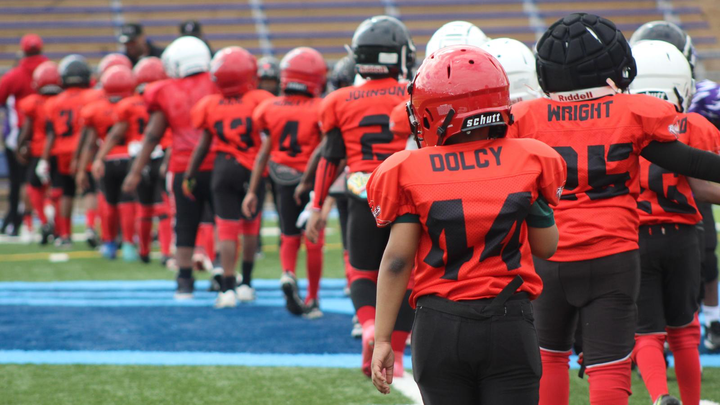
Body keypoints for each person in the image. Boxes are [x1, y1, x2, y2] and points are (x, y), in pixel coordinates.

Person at [509, 13, 720, 405]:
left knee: (550, 357)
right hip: (614, 256)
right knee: (610, 366)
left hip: (551, 254)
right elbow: (690, 162)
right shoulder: (631, 111)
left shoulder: (526, 117)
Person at [368, 44, 565, 405]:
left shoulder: (409, 170)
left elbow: (397, 260)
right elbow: (546, 247)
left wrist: (383, 339)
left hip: (440, 323)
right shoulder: (529, 159)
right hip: (509, 321)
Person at [305, 15, 416, 377]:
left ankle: (369, 327)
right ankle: (395, 353)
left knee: (361, 271)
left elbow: (330, 157)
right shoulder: (413, 92)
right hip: (406, 191)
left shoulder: (339, 99)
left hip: (361, 190)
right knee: (408, 272)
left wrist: (317, 205)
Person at [628, 39, 720, 405]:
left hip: (636, 237)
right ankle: (691, 402)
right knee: (684, 330)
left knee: (646, 332)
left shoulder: (622, 123)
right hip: (683, 236)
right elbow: (706, 186)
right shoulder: (695, 124)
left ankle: (660, 397)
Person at [122, 36, 217, 299]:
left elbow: (153, 134)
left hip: (183, 166)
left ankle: (184, 280)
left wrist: (135, 171)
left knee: (184, 222)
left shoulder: (164, 90)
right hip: (218, 161)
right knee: (221, 218)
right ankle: (222, 271)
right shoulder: (217, 84)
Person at [185, 46, 274, 308]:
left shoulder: (209, 104)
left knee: (226, 228)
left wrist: (189, 174)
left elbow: (203, 144)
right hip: (253, 168)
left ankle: (227, 289)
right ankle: (246, 283)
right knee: (250, 227)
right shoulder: (261, 100)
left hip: (223, 167)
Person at [242, 47, 327, 318]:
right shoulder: (321, 108)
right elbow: (325, 150)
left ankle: (288, 273)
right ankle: (312, 297)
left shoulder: (269, 108)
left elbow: (263, 153)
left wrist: (252, 190)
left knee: (288, 235)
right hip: (311, 180)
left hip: (281, 178)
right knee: (313, 239)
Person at [96, 57, 172, 264]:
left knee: (143, 206)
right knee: (163, 207)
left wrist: (100, 157)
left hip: (137, 157)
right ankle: (165, 252)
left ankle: (143, 251)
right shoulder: (167, 99)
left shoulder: (127, 104)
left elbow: (115, 134)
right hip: (161, 154)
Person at [38, 55, 102, 247]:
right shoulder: (93, 96)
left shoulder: (53, 102)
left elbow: (51, 133)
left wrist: (43, 159)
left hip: (62, 151)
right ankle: (90, 227)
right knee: (89, 190)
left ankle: (65, 235)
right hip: (85, 150)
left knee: (66, 193)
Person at [76, 65, 137, 260]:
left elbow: (90, 143)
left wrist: (82, 169)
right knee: (127, 203)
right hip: (131, 158)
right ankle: (128, 244)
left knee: (109, 203)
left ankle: (109, 243)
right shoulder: (135, 105)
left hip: (107, 161)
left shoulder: (96, 109)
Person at [0, 34, 48, 236]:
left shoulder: (15, 75)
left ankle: (17, 221)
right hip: (47, 133)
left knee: (19, 181)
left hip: (20, 134)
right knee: (45, 182)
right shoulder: (49, 69)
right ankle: (44, 221)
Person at [15, 61, 61, 244]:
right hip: (60, 151)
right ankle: (59, 228)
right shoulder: (62, 100)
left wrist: (19, 147)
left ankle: (42, 220)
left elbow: (26, 129)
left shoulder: (33, 103)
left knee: (33, 187)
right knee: (58, 190)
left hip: (39, 150)